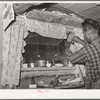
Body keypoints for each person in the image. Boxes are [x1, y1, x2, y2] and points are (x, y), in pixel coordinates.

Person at [65, 18, 100, 89]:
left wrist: (67, 45)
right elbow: (93, 48)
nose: (83, 34)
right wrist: (80, 41)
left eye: (83, 33)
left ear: (88, 33)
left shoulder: (88, 49)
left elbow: (72, 59)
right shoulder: (92, 46)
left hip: (97, 84)